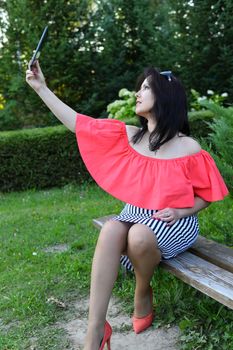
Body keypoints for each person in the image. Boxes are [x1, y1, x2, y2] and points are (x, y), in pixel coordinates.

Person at [26, 62, 228, 350]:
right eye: (140, 87)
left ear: (166, 96)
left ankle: (142, 290)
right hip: (134, 214)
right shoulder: (130, 135)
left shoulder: (189, 148)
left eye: (146, 87)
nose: (138, 92)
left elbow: (207, 195)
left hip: (173, 222)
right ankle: (95, 332)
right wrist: (41, 88)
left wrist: (182, 211)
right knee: (110, 229)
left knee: (139, 235)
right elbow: (78, 123)